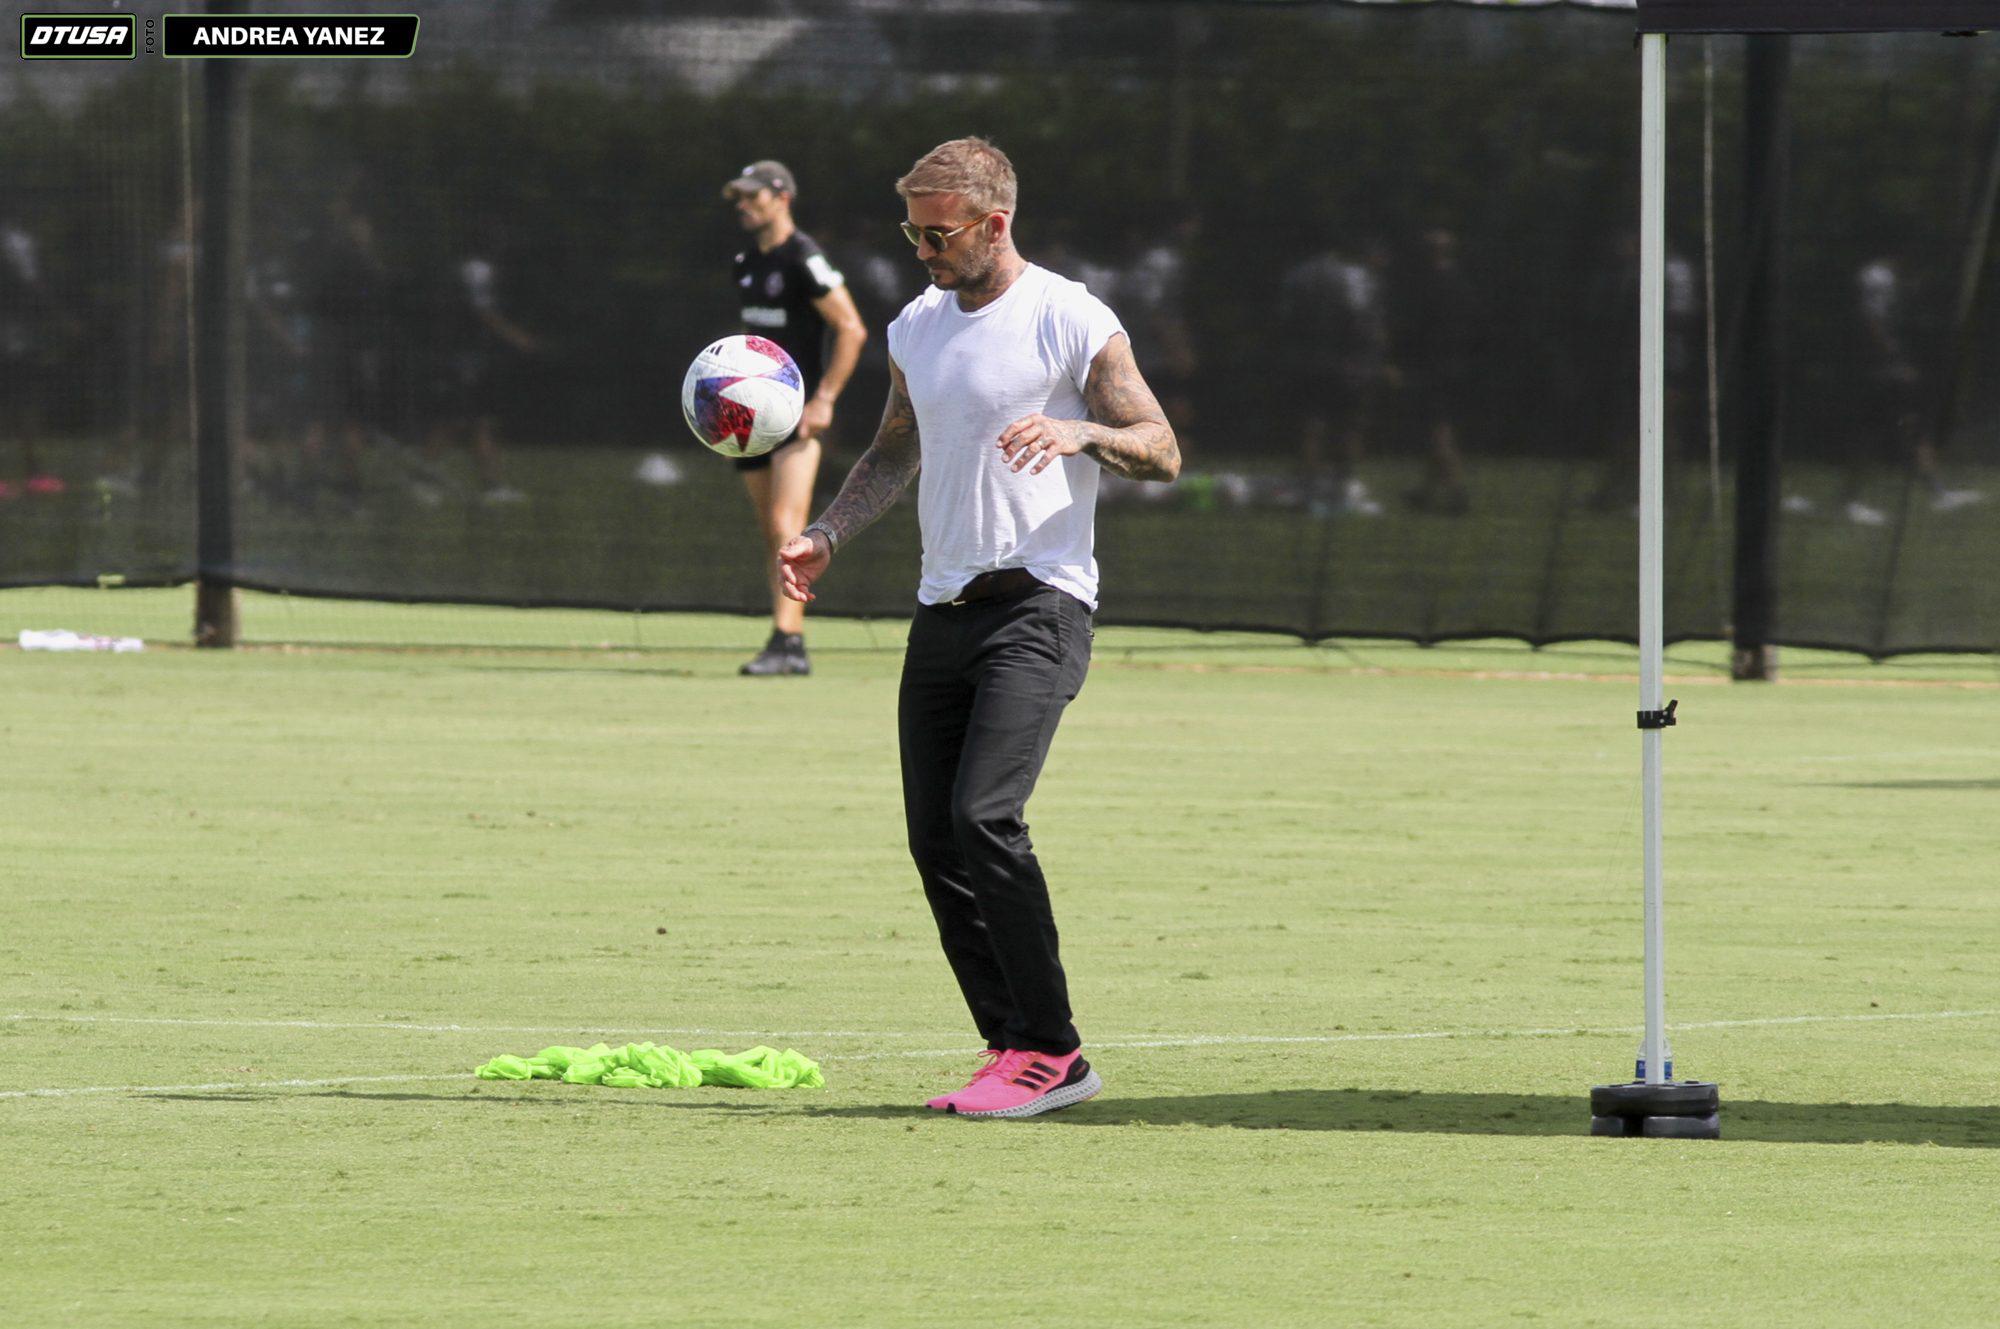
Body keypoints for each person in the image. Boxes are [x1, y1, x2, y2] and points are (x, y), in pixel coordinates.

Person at [775, 138, 1180, 1119]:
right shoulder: (915, 327)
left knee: (983, 816)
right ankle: (1010, 1048)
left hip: (1040, 604)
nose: (920, 249)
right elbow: (892, 450)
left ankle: (1056, 1053)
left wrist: (1079, 431)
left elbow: (1160, 449)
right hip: (941, 610)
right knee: (935, 840)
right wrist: (826, 534)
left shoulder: (1068, 317)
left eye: (937, 233)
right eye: (910, 231)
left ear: (994, 224)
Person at [723, 160, 868, 676]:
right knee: (771, 529)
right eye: (740, 198)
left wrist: (824, 399)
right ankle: (784, 638)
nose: (744, 205)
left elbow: (851, 328)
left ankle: (789, 641)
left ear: (782, 196)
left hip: (796, 416)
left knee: (788, 526)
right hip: (748, 415)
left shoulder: (804, 258)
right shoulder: (745, 261)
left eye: (753, 196)